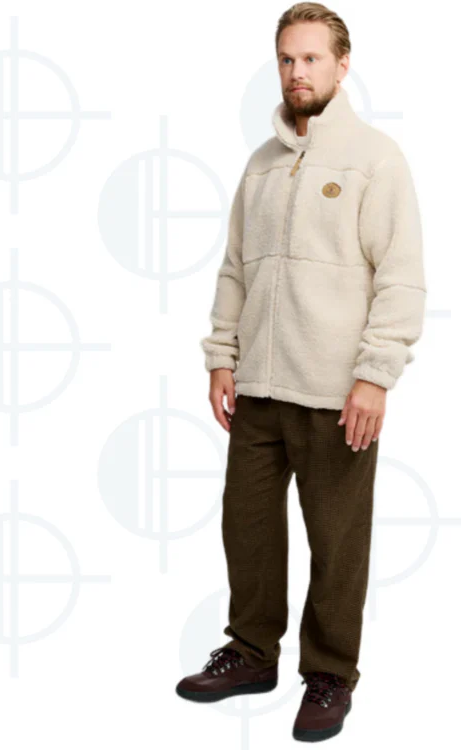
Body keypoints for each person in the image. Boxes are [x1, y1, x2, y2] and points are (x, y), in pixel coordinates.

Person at [176, 2, 427, 742]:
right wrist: (222, 356)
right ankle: (253, 653)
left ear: (342, 66)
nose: (297, 72)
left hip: (335, 392)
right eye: (287, 59)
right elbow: (235, 269)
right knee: (247, 529)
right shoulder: (260, 163)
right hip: (257, 389)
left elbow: (401, 277)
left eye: (312, 58)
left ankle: (330, 673)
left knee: (337, 543)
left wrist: (376, 375)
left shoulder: (375, 159)